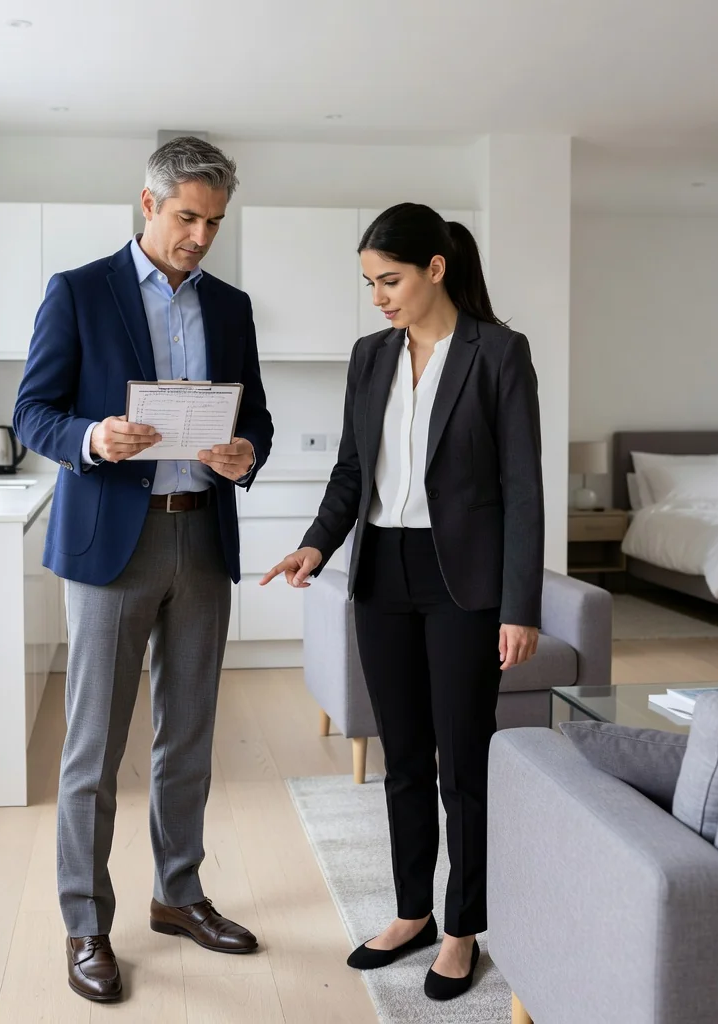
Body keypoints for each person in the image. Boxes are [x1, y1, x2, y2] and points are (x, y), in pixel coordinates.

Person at [261, 203, 543, 1002]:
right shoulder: (370, 356)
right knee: (403, 759)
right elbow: (352, 470)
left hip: (466, 585)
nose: (378, 296)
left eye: (390, 279)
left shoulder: (498, 354)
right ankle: (412, 911)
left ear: (436, 269)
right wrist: (318, 543)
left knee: (464, 762)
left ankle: (463, 929)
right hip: (381, 572)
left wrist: (519, 606)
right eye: (370, 283)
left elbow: (523, 489)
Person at [14, 136, 273, 1004]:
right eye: (189, 217)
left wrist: (245, 456)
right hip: (108, 549)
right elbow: (32, 414)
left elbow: (259, 422)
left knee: (188, 735)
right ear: (149, 204)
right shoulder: (79, 291)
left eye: (215, 222)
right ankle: (86, 922)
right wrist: (92, 438)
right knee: (93, 745)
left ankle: (179, 894)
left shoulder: (231, 308)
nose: (201, 236)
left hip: (202, 538)